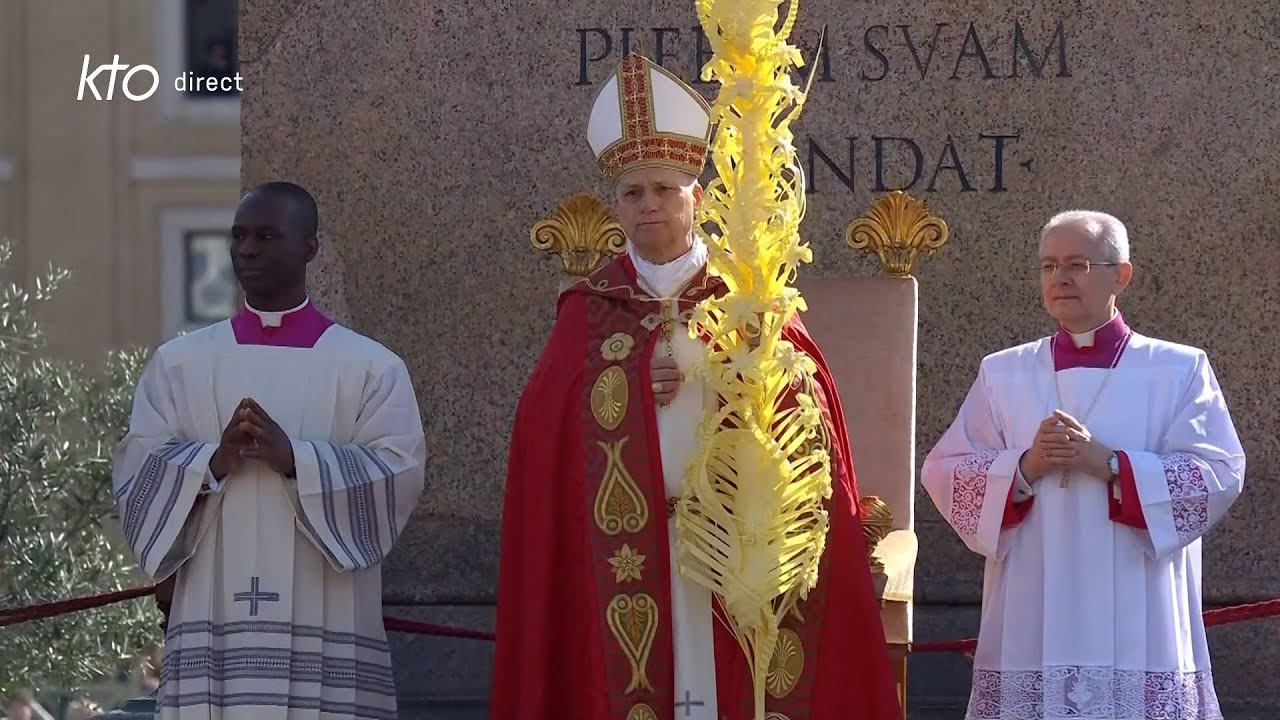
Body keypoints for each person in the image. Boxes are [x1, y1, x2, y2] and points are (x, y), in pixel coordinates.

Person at [489, 53, 902, 720]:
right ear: (613, 207)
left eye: (665, 189)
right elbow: (545, 437)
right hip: (629, 559)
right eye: (633, 193)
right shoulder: (588, 313)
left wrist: (724, 382)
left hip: (734, 557)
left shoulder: (750, 299)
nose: (649, 205)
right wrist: (616, 380)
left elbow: (807, 420)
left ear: (698, 198)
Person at [111, 181, 427, 720]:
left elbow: (398, 471)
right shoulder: (181, 364)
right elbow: (139, 468)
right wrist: (211, 461)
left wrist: (295, 460)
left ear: (310, 247)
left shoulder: (370, 367)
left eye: (266, 235)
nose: (248, 249)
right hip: (214, 602)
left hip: (325, 607)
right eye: (238, 236)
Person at [922, 210, 1246, 719]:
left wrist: (1113, 465)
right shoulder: (1004, 372)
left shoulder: (1177, 368)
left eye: (1078, 264)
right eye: (1049, 266)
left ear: (1121, 275)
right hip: (1034, 590)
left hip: (1137, 596)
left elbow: (1218, 472)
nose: (1061, 278)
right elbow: (947, 470)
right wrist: (1026, 466)